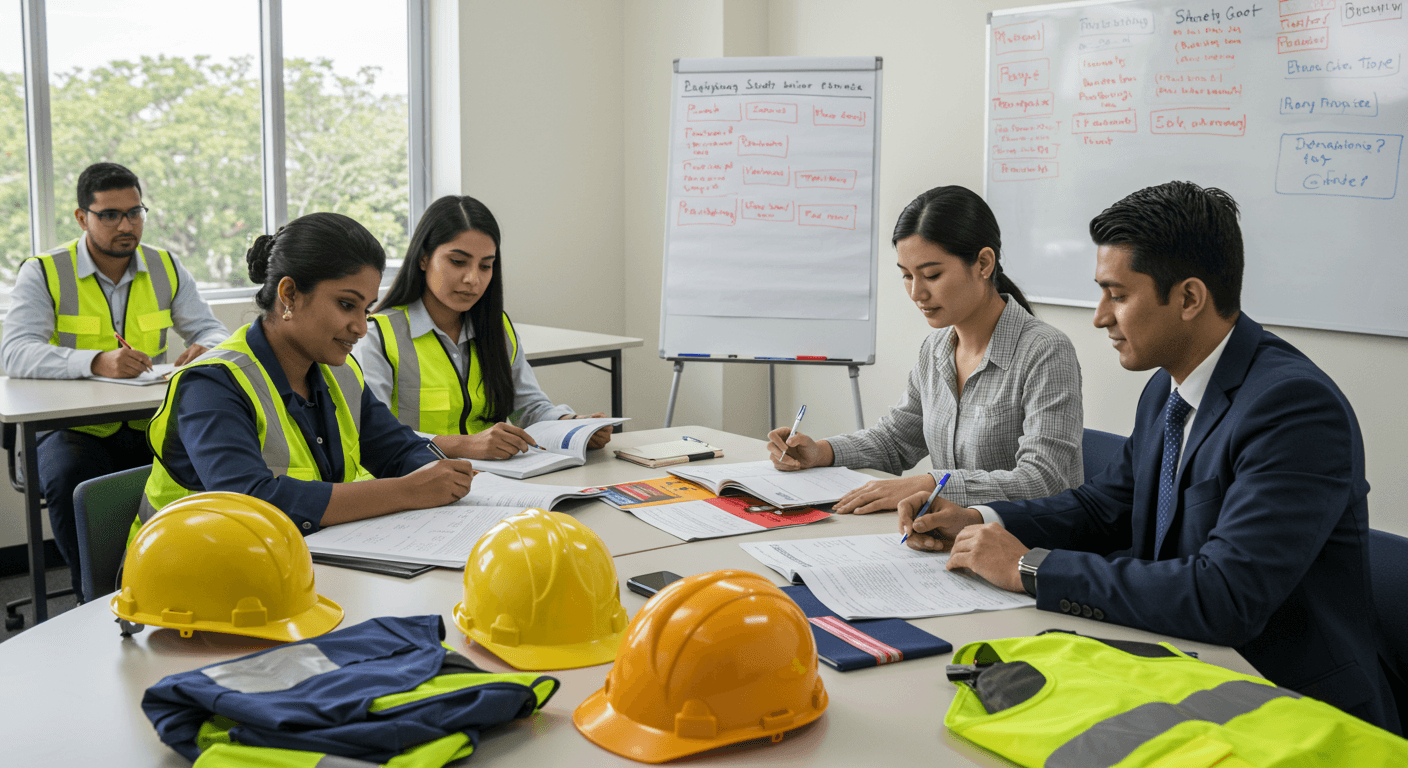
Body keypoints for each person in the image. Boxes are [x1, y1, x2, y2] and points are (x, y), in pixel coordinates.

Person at [899, 181, 1399, 732]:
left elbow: (1223, 594)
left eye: (1117, 294)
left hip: (1292, 711)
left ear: (1188, 298)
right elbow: (1102, 507)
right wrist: (979, 519)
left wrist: (1029, 567)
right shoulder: (1167, 389)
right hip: (1185, 679)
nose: (1098, 317)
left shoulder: (1295, 408)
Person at [135, 212, 475, 540]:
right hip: (186, 571)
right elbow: (252, 502)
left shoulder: (340, 372)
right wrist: (405, 491)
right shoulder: (211, 383)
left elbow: (396, 450)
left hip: (296, 560)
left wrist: (445, 476)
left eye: (366, 309)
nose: (360, 328)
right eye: (346, 304)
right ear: (289, 295)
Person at [767, 185, 1083, 513]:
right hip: (954, 539)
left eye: (932, 275)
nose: (917, 292)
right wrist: (821, 452)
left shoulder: (1045, 352)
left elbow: (1045, 480)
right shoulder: (935, 350)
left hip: (1023, 546)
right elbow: (896, 439)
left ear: (983, 263)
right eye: (907, 276)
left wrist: (932, 484)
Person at [0, 162, 229, 602]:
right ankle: (97, 595)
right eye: (110, 215)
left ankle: (179, 583)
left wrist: (208, 346)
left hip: (148, 419)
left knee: (204, 461)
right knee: (71, 476)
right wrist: (95, 361)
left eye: (135, 212)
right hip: (71, 428)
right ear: (82, 217)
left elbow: (210, 328)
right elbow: (14, 352)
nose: (126, 225)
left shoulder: (166, 266)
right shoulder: (45, 271)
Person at [354, 195, 611, 460]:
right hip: (418, 481)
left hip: (495, 482)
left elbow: (529, 409)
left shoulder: (497, 328)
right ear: (423, 259)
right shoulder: (378, 335)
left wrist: (573, 425)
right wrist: (463, 446)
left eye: (485, 266)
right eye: (458, 262)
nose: (472, 279)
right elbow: (376, 434)